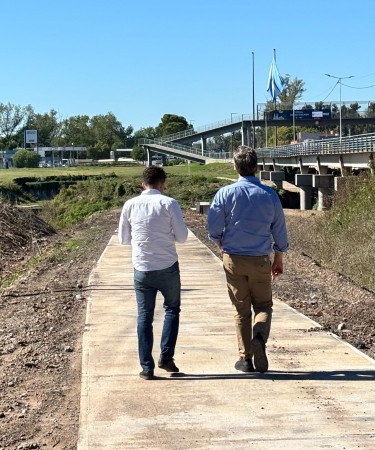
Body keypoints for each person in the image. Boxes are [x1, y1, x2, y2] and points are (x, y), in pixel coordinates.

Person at [207, 145, 289, 373]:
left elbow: (213, 225)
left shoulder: (224, 193)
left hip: (233, 258)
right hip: (260, 259)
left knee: (240, 309)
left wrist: (219, 242)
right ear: (256, 167)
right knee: (263, 306)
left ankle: (245, 359)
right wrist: (278, 256)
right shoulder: (270, 195)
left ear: (235, 166)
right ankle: (259, 337)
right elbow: (279, 230)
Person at [118, 166, 189, 380]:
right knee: (172, 310)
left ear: (143, 184)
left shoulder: (129, 205)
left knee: (144, 317)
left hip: (142, 269)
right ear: (162, 183)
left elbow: (123, 239)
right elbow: (182, 237)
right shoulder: (169, 203)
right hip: (167, 266)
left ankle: (146, 367)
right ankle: (166, 357)